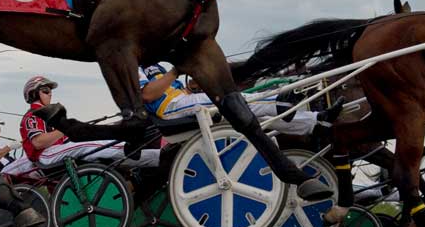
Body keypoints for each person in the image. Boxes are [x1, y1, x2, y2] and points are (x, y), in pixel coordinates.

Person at [138, 63, 343, 135]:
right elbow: (147, 94)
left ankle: (315, 121)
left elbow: (169, 85)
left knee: (257, 118)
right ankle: (278, 101)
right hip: (171, 108)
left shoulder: (153, 62)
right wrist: (175, 71)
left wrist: (190, 86)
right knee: (236, 100)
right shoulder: (134, 67)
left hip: (184, 102)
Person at [19, 75, 159, 170]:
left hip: (57, 150)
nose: (50, 93)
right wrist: (65, 128)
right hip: (45, 155)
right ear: (33, 94)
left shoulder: (47, 113)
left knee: (98, 139)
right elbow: (38, 142)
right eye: (45, 90)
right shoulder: (33, 114)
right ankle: (154, 155)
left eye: (50, 91)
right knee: (90, 144)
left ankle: (152, 157)